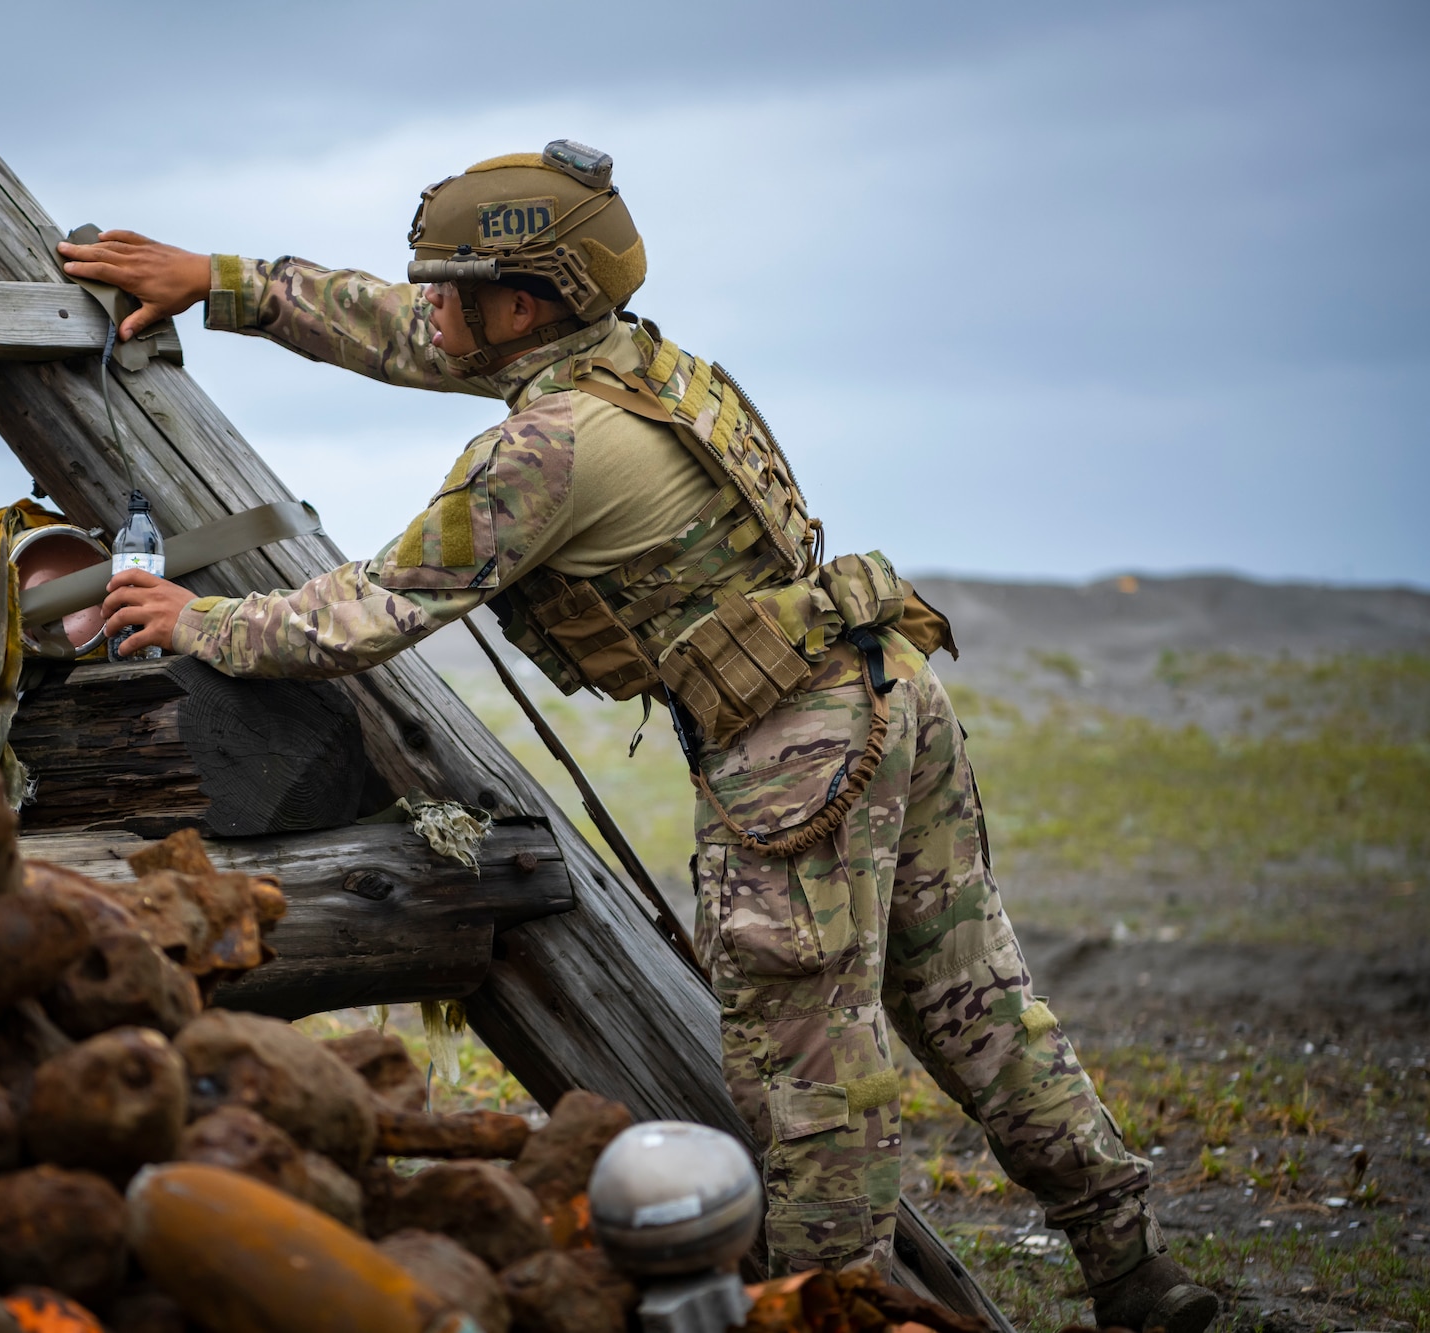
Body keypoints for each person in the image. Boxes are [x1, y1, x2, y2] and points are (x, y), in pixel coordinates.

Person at [60, 142, 1216, 1332]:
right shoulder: (638, 362)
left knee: (805, 1077)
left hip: (795, 758)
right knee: (975, 1002)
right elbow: (407, 330)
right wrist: (226, 281)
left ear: (523, 302)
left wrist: (198, 617)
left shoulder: (545, 446)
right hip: (883, 693)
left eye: (456, 285)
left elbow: (362, 612)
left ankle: (835, 1313)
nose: (434, 305)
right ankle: (1137, 1276)